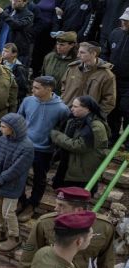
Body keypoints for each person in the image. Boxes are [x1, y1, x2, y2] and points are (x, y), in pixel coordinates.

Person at [18, 187, 115, 268]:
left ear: (78, 210)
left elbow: (107, 260)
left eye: (61, 205)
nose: (55, 208)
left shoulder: (103, 227)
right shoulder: (45, 223)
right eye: (56, 204)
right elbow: (28, 256)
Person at [16, 76, 70, 222]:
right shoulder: (27, 101)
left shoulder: (61, 108)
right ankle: (21, 201)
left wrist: (54, 145)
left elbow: (63, 130)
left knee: (39, 179)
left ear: (49, 89)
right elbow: (19, 119)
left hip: (44, 150)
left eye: (36, 88)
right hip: (24, 145)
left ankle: (32, 205)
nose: (32, 90)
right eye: (33, 87)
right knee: (19, 175)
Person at [0, 113, 34, 252]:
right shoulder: (2, 139)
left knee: (8, 212)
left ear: (13, 128)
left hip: (12, 185)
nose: (0, 129)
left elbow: (17, 169)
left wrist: (0, 179)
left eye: (3, 126)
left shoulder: (27, 147)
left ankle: (14, 237)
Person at [51, 96, 110, 195]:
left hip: (82, 173)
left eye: (75, 106)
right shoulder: (74, 120)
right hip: (70, 168)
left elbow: (79, 146)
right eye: (72, 106)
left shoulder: (96, 126)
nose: (71, 109)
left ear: (87, 108)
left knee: (75, 201)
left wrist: (57, 136)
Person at [61, 41, 116, 117]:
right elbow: (63, 86)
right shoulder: (72, 68)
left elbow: (109, 101)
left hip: (88, 117)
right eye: (78, 52)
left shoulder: (106, 75)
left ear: (93, 54)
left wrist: (97, 116)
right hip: (67, 111)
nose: (78, 55)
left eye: (82, 52)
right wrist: (64, 101)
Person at [102, 8, 129, 149]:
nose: (123, 22)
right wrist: (105, 62)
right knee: (113, 109)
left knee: (126, 109)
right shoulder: (115, 33)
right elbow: (105, 51)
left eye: (127, 20)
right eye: (123, 19)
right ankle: (113, 136)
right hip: (113, 79)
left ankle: (127, 140)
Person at [0, 0, 34, 66]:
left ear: (25, 2)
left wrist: (2, 14)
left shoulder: (29, 15)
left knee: (12, 74)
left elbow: (17, 25)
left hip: (14, 52)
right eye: (13, 0)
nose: (14, 2)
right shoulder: (7, 11)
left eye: (18, 1)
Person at [41, 31, 78, 95]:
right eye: (57, 44)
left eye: (62, 45)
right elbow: (43, 75)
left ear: (72, 45)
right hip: (47, 94)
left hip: (65, 96)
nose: (58, 47)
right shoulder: (49, 57)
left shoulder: (77, 62)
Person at [30, 0, 59, 77]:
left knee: (45, 53)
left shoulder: (58, 1)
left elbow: (56, 18)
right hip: (36, 29)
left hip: (48, 32)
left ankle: (42, 73)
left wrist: (55, 30)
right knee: (35, 52)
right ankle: (34, 73)